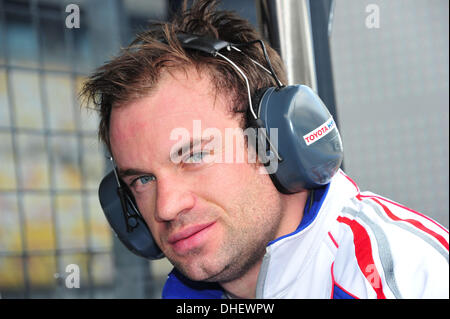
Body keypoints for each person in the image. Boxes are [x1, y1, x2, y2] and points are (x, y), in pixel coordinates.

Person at [81, 0, 449, 299]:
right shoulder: (185, 294)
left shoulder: (401, 278)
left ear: (273, 141)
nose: (166, 207)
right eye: (142, 179)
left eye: (193, 155)